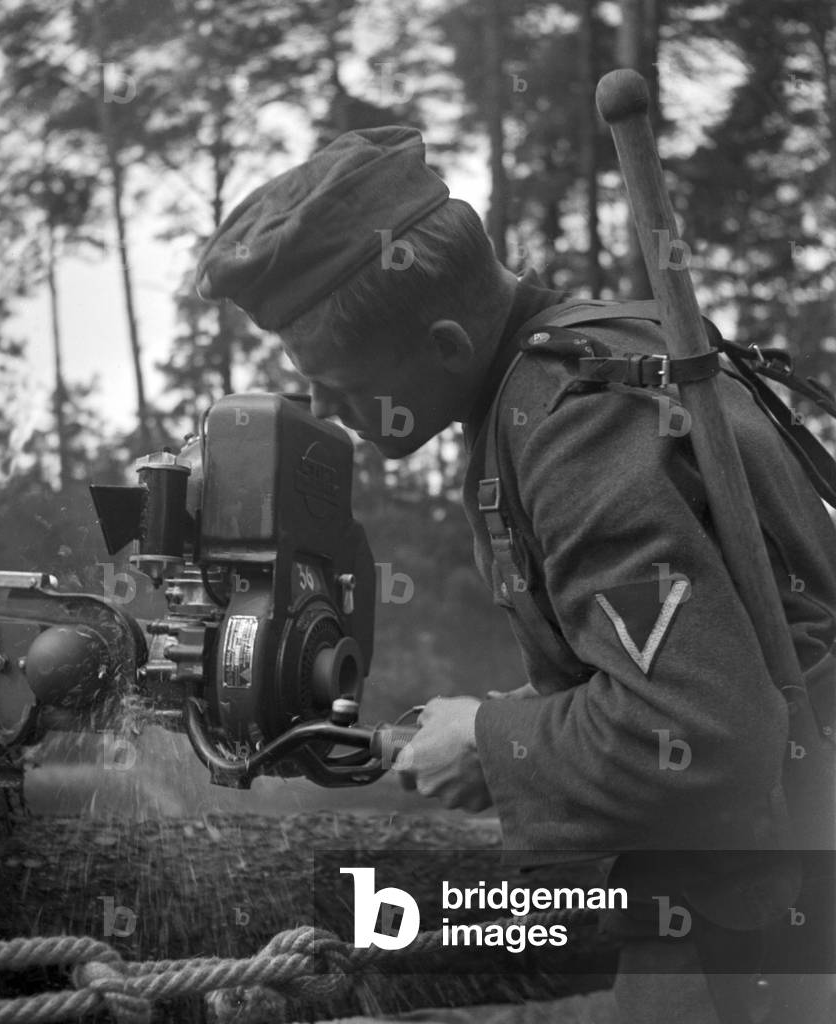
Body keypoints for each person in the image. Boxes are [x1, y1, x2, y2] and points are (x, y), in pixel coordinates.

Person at [195, 126, 836, 1023]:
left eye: (339, 387)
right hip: (725, 867)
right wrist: (467, 727)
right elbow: (679, 661)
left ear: (448, 342)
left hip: (765, 921)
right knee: (369, 922)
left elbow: (703, 732)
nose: (335, 418)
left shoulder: (575, 428)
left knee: (348, 954)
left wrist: (495, 747)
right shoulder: (570, 366)